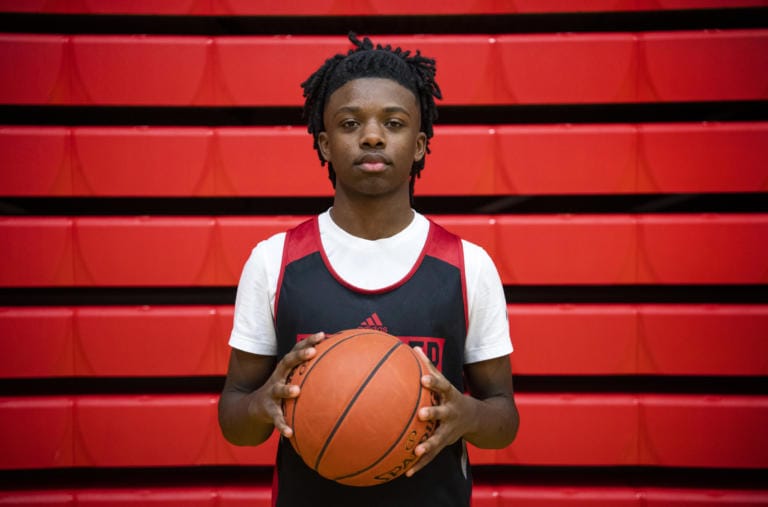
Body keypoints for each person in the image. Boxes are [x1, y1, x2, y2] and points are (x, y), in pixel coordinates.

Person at [218, 33, 519, 507]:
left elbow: (504, 420)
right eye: (350, 122)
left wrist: (468, 416)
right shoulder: (276, 260)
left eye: (393, 123)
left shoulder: (468, 265)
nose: (373, 136)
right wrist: (262, 402)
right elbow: (235, 421)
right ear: (324, 142)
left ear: (420, 145)